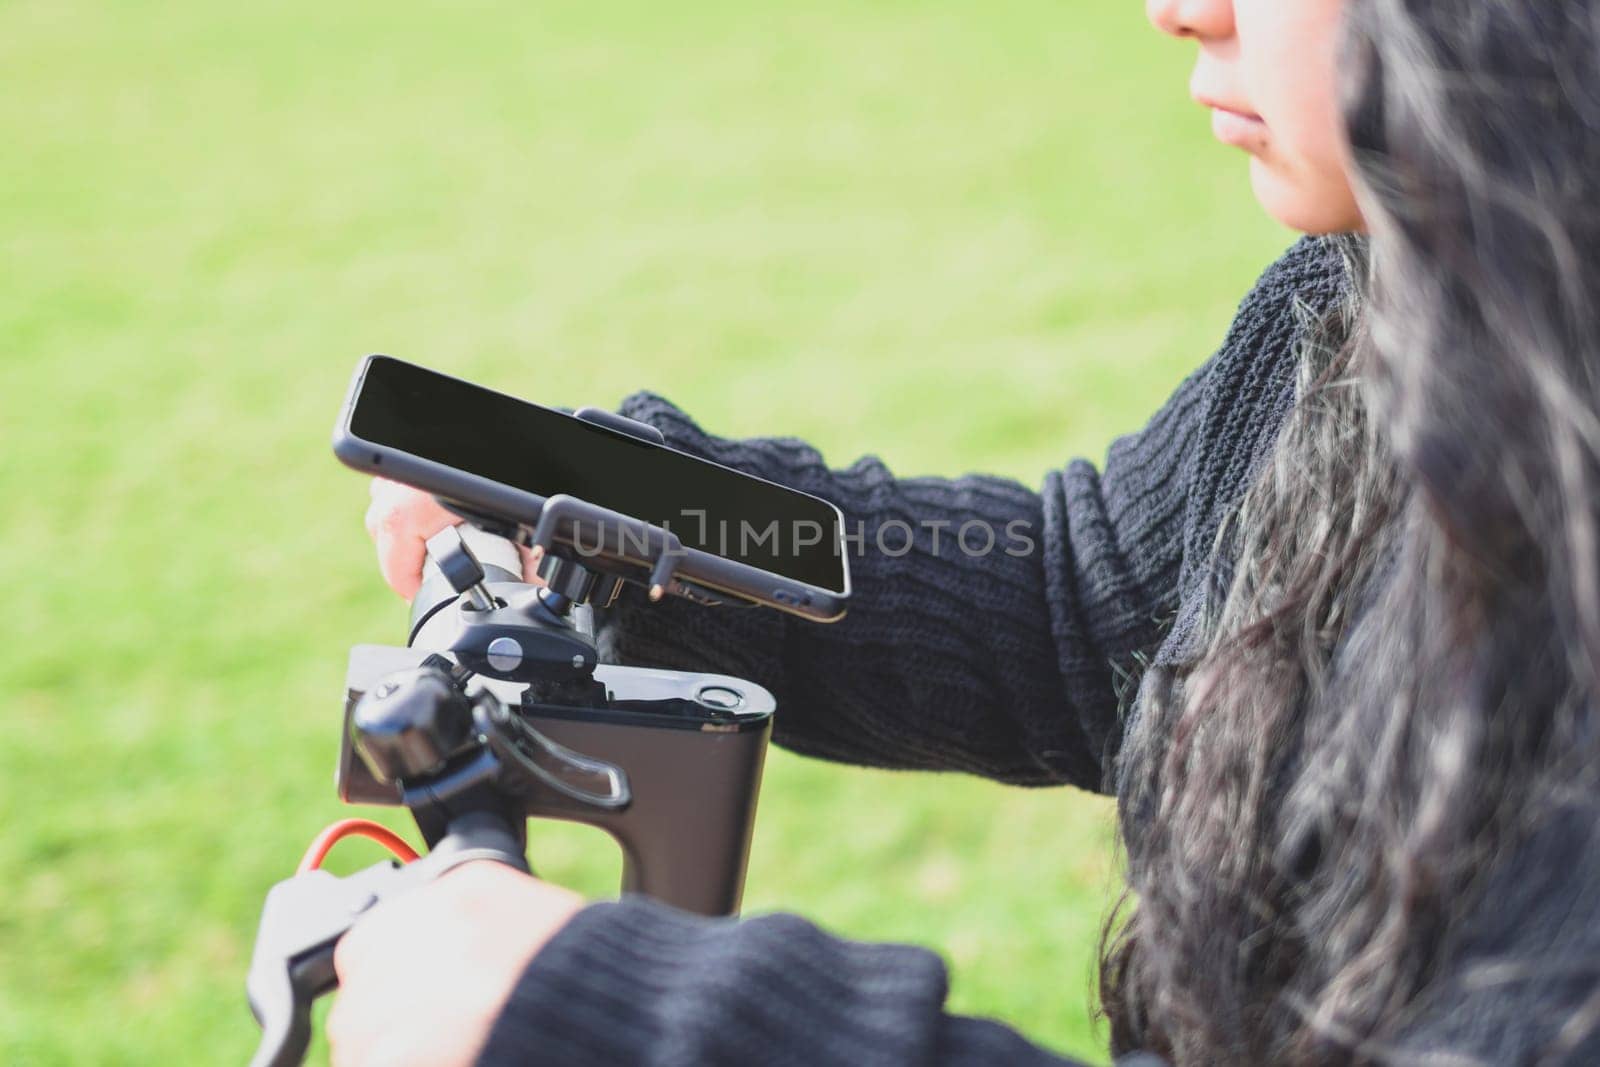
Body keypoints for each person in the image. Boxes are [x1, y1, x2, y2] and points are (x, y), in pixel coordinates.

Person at [337, 0, 1600, 1063]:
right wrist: (639, 505)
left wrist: (638, 1016)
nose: (1177, 7)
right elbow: (1079, 604)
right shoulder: (1379, 297)